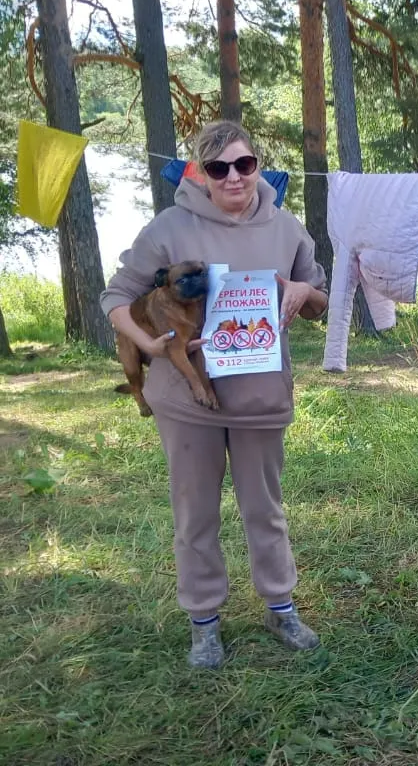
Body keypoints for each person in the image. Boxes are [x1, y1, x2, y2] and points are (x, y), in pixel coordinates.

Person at [101, 119, 329, 669]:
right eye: (219, 168)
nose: (234, 177)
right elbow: (116, 295)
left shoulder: (287, 228)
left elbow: (320, 300)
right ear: (201, 174)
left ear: (258, 167)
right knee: (195, 512)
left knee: (265, 509)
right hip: (185, 402)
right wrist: (147, 345)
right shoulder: (168, 227)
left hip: (260, 398)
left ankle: (280, 606)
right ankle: (204, 622)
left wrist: (304, 291)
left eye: (244, 165)